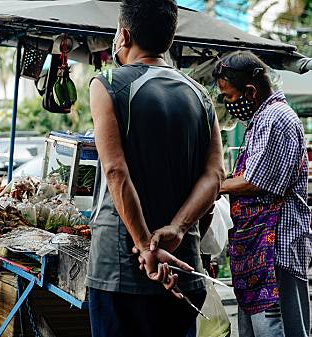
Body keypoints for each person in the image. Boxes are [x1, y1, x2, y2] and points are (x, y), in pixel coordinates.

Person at [87, 0, 224, 336]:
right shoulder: (201, 96)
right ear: (170, 40)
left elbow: (115, 171)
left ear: (124, 34)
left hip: (121, 269)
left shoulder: (106, 84)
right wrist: (177, 228)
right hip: (184, 265)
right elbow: (215, 176)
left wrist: (146, 246)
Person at [215, 51, 311, 337]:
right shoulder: (261, 119)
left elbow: (256, 181)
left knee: (277, 327)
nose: (229, 104)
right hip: (258, 248)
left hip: (275, 248)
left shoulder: (275, 118)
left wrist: (212, 185)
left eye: (230, 97)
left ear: (250, 91)